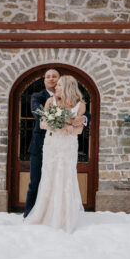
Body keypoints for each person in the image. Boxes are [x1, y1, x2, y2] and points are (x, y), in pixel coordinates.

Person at [25, 75, 86, 233]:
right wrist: (60, 126)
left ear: (67, 87)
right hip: (52, 144)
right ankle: (46, 214)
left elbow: (79, 128)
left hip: (68, 146)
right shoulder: (50, 101)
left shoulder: (80, 105)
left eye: (59, 85)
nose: (56, 88)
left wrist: (73, 127)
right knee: (50, 176)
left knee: (66, 177)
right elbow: (43, 123)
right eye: (56, 85)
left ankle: (64, 216)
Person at [23, 68, 60, 217]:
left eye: (54, 76)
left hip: (60, 147)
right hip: (39, 145)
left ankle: (53, 215)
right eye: (48, 77)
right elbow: (38, 112)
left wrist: (82, 120)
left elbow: (86, 114)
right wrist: (62, 120)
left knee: (58, 182)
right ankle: (28, 214)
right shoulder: (37, 96)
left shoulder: (69, 98)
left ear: (60, 80)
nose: (51, 79)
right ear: (44, 80)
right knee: (35, 182)